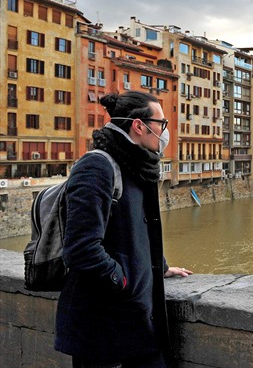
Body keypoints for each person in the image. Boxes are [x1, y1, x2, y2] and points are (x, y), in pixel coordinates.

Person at [55, 91, 192, 367]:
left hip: (137, 325)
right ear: (139, 126)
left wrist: (157, 266)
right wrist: (124, 281)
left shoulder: (136, 164)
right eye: (161, 124)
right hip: (102, 332)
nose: (164, 133)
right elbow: (81, 249)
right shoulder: (97, 166)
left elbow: (134, 231)